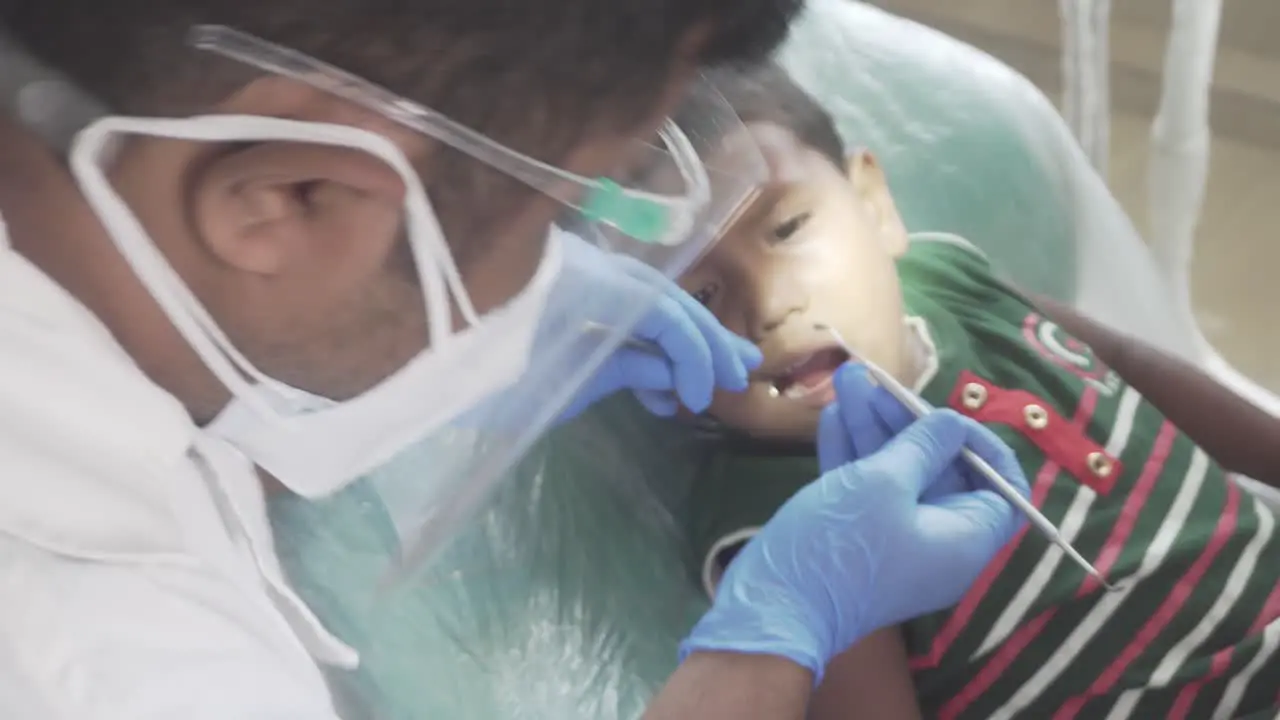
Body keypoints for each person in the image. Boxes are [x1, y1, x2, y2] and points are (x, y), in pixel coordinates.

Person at [0, 2, 1029, 718]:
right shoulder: (112, 674)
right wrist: (775, 635)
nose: (552, 276)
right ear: (297, 196)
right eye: (566, 217)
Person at [669, 61, 1280, 719]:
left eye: (787, 229)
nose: (771, 305)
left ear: (874, 205)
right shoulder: (793, 533)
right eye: (699, 293)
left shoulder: (949, 277)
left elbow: (1132, 363)